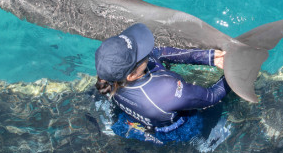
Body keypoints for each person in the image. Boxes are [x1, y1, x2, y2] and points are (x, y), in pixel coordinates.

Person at [94, 23, 229, 144]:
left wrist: (209, 57)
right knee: (221, 113)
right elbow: (212, 96)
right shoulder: (166, 90)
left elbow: (159, 53)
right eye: (141, 54)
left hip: (137, 120)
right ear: (131, 75)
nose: (147, 51)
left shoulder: (108, 75)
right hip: (176, 127)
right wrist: (233, 69)